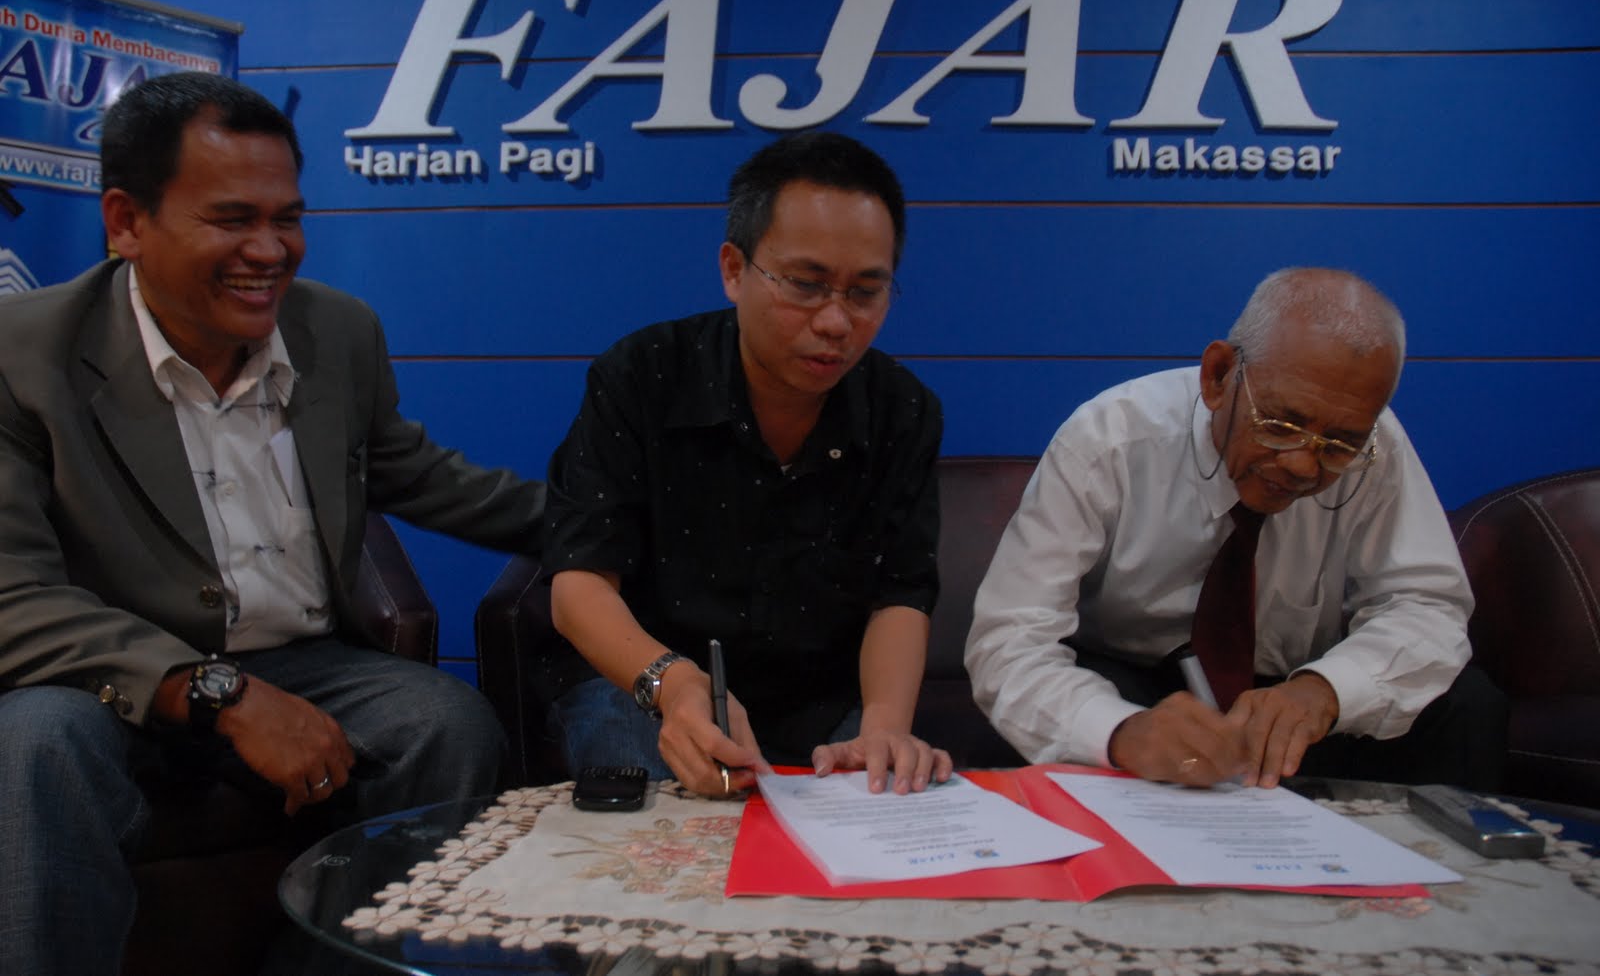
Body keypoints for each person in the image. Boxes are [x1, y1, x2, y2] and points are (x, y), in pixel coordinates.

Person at [0, 71, 545, 975]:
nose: (270, 250)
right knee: (32, 744)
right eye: (232, 219)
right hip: (106, 676)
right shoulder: (20, 353)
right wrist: (224, 696)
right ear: (127, 222)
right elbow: (12, 598)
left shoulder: (338, 330)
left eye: (287, 218)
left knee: (446, 722)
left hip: (305, 662)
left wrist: (608, 525)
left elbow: (422, 476)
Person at [966, 268, 1505, 792]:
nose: (1302, 464)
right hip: (1135, 687)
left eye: (1338, 446)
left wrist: (1328, 690)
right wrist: (1119, 731)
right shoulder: (1110, 438)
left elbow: (1426, 605)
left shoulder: (1375, 444)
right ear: (1218, 376)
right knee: (1074, 719)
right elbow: (1011, 641)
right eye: (1281, 425)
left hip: (1289, 699)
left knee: (1464, 703)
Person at [543, 131, 952, 799]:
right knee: (660, 814)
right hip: (647, 684)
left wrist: (884, 726)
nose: (835, 322)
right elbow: (578, 585)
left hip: (822, 702)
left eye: (865, 293)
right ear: (734, 270)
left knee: (884, 799)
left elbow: (900, 594)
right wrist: (675, 685)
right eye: (806, 285)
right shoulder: (642, 376)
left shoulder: (902, 410)